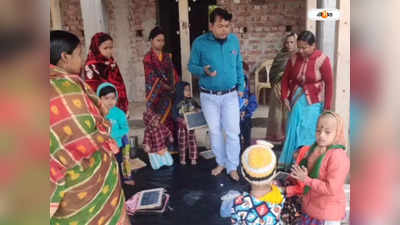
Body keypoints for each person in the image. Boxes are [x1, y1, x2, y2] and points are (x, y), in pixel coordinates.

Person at [50, 30, 130, 225]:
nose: (81, 59)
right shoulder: (66, 89)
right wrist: (106, 125)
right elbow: (89, 131)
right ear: (65, 57)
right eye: (78, 54)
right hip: (81, 180)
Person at [188, 8, 245, 181]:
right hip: (209, 96)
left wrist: (241, 85)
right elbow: (191, 66)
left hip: (230, 95)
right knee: (214, 131)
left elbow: (238, 65)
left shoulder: (234, 41)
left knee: (233, 132)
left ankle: (232, 166)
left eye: (227, 26)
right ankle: (220, 162)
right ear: (211, 26)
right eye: (220, 26)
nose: (224, 30)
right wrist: (203, 71)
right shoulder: (200, 43)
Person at [278, 31, 333, 171]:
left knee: (308, 134)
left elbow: (329, 84)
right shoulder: (294, 59)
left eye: (304, 48)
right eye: (299, 47)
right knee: (293, 131)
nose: (301, 51)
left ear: (313, 45)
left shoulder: (322, 60)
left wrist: (326, 108)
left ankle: (306, 167)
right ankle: (290, 167)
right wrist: (284, 96)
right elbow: (285, 78)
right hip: (296, 101)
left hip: (314, 102)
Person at [290, 111, 350, 225]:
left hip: (327, 213)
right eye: (318, 131)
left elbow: (331, 188)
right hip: (311, 208)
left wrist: (306, 179)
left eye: (327, 132)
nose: (321, 135)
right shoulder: (315, 149)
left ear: (337, 133)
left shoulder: (338, 156)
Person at [231, 141, 285, 225]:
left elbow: (235, 222)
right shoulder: (280, 195)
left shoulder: (239, 202)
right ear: (274, 173)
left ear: (244, 174)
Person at [97, 82, 135, 186]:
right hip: (101, 147)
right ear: (99, 98)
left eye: (113, 98)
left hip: (116, 146)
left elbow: (125, 129)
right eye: (106, 98)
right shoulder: (96, 112)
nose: (110, 101)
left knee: (117, 165)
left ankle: (120, 183)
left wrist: (111, 135)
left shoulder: (119, 113)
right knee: (104, 167)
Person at [143, 26, 180, 134]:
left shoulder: (167, 56)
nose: (161, 43)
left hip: (168, 94)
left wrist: (175, 86)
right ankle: (157, 147)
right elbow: (151, 77)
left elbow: (173, 73)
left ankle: (171, 147)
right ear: (151, 40)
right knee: (155, 119)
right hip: (154, 94)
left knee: (169, 118)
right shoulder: (147, 58)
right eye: (158, 40)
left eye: (162, 41)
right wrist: (164, 86)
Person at [84, 32, 129, 114]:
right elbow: (92, 89)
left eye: (111, 48)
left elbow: (120, 83)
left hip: (117, 104)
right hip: (103, 107)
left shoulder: (111, 62)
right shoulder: (91, 65)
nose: (109, 51)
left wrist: (125, 105)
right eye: (105, 48)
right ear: (96, 48)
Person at [266, 32, 297, 143]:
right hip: (278, 87)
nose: (289, 45)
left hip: (292, 89)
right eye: (287, 42)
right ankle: (278, 139)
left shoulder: (298, 56)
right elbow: (274, 72)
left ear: (296, 43)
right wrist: (277, 84)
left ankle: (288, 141)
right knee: (277, 115)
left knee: (288, 116)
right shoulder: (281, 55)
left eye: (292, 42)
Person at [172, 81, 201, 165]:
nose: (188, 92)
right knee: (182, 143)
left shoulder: (192, 100)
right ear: (180, 91)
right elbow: (174, 115)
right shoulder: (177, 103)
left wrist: (198, 110)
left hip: (191, 125)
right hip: (181, 127)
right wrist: (181, 120)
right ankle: (182, 158)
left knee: (192, 141)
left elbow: (198, 107)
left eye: (189, 90)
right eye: (186, 90)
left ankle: (193, 158)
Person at [239, 75, 258, 151]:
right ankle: (238, 153)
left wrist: (246, 112)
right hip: (236, 121)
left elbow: (253, 104)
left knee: (247, 139)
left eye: (242, 83)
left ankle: (246, 152)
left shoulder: (250, 95)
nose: (240, 85)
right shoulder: (234, 95)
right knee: (236, 139)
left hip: (246, 120)